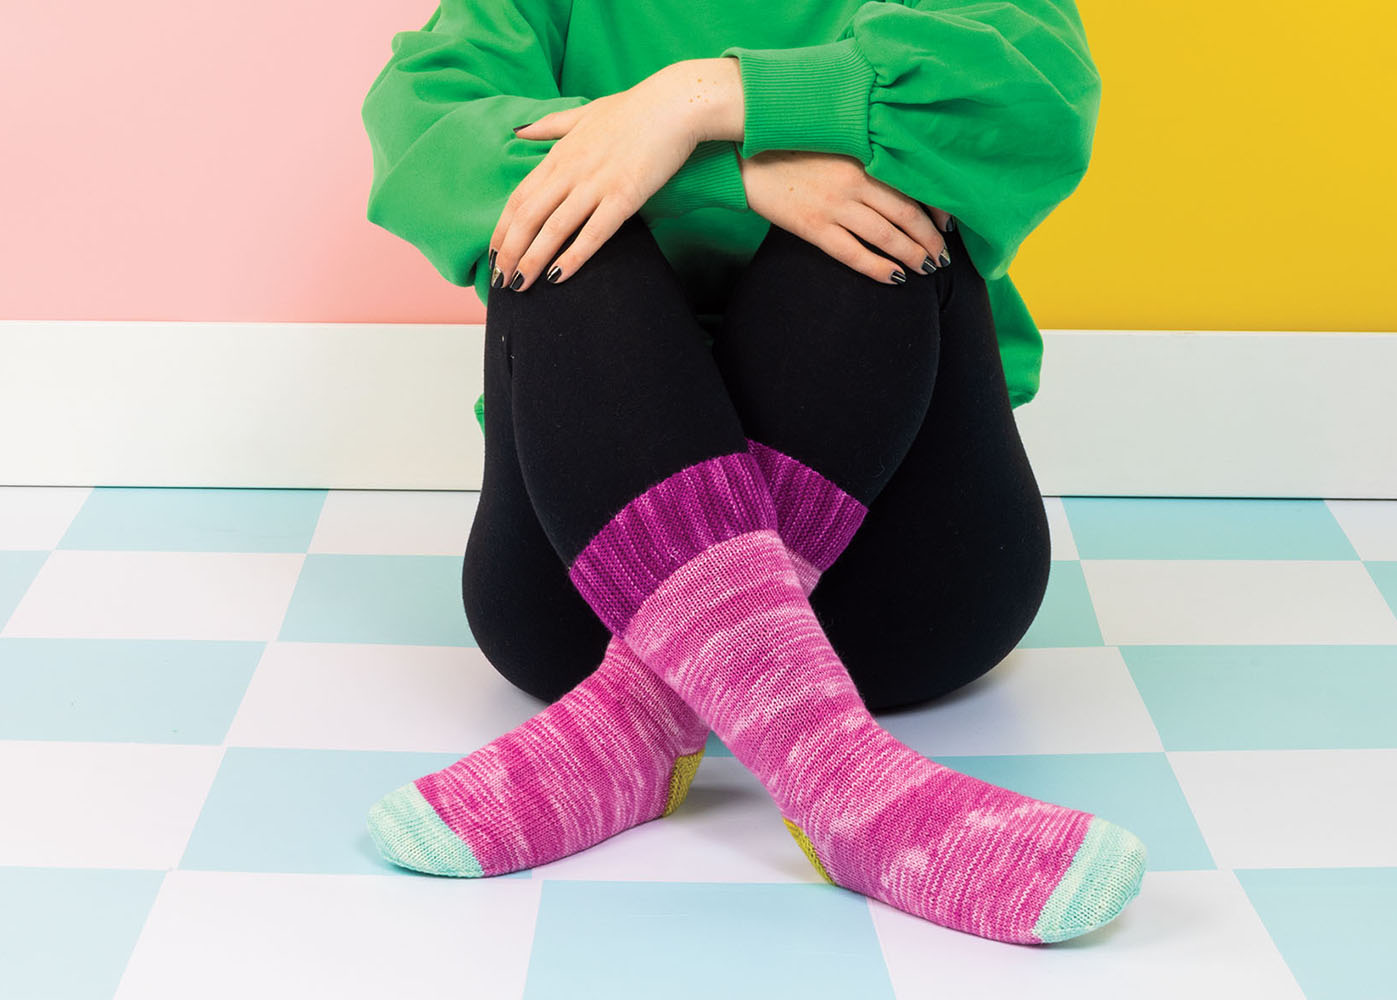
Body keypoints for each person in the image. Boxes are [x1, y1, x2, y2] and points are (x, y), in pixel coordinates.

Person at [358, 0, 1141, 945]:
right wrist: (717, 165)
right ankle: (837, 778)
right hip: (580, 601)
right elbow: (419, 118)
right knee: (562, 235)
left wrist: (702, 98)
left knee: (882, 218)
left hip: (910, 589)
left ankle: (651, 729)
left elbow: (1033, 95)